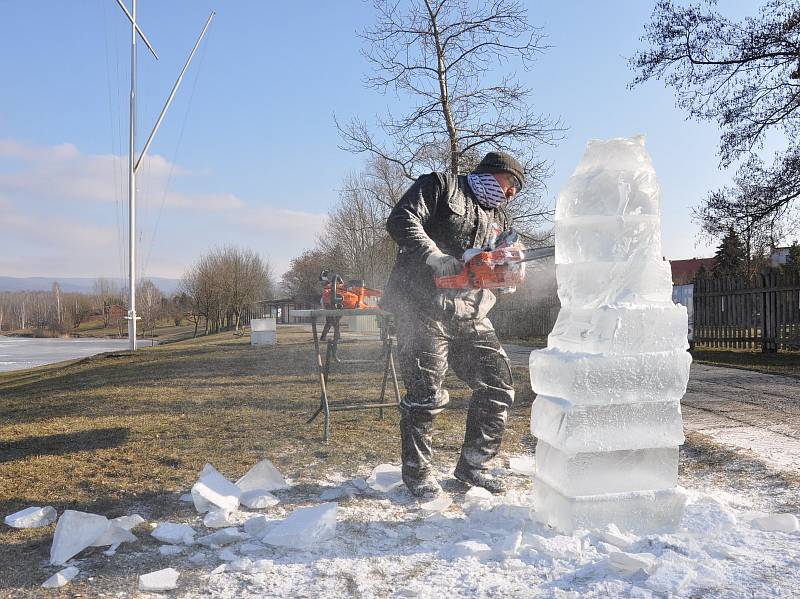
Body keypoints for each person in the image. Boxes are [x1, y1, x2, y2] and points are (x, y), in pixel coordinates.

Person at [382, 151, 524, 497]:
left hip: (472, 311)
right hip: (421, 306)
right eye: (511, 185)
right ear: (494, 173)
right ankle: (418, 475)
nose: (511, 195)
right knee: (426, 395)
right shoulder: (441, 186)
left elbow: (506, 255)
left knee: (498, 386)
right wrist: (435, 256)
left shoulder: (498, 219)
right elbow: (401, 219)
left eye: (516, 192)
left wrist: (508, 269)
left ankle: (474, 466)